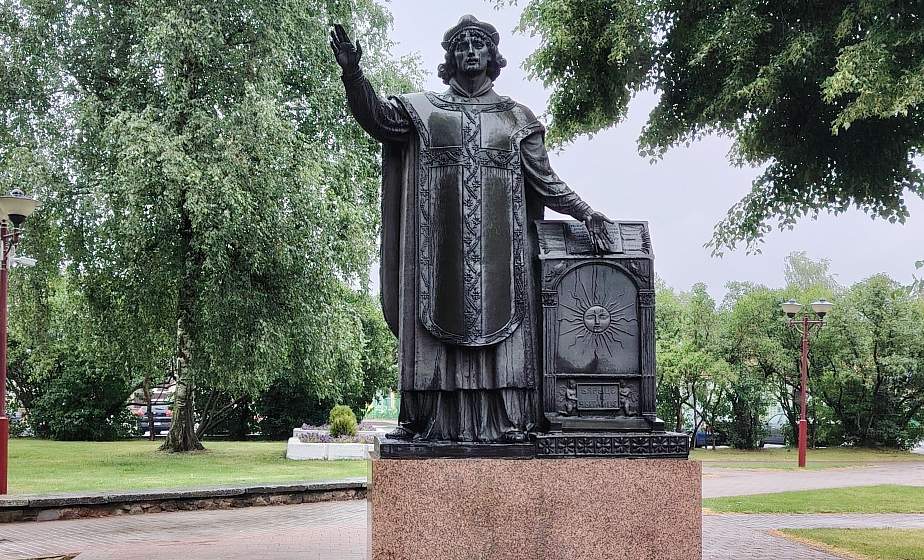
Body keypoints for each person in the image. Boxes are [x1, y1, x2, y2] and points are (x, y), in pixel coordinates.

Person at [330, 15, 614, 443]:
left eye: (478, 43)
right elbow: (378, 120)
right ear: (450, 57)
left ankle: (507, 422)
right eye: (461, 45)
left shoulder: (517, 118)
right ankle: (429, 422)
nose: (470, 51)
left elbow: (545, 180)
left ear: (492, 55)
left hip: (502, 262)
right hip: (435, 261)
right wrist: (353, 74)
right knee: (434, 328)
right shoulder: (423, 111)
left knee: (506, 331)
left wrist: (586, 212)